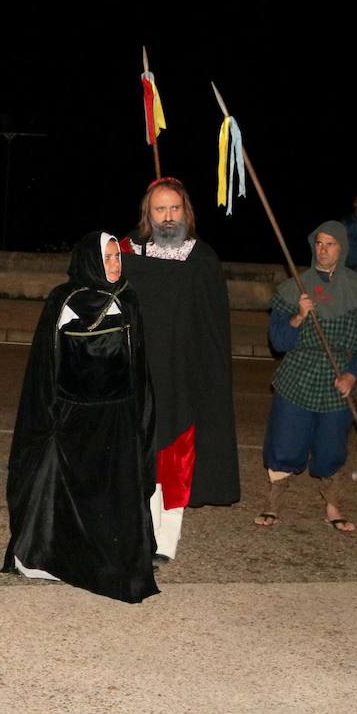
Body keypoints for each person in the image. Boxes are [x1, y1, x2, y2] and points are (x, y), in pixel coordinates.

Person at [3, 232, 158, 603]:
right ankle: (48, 558)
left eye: (117, 257)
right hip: (72, 416)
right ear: (90, 259)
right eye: (106, 258)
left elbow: (138, 367)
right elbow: (46, 365)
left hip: (116, 416)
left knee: (113, 491)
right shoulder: (64, 300)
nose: (114, 264)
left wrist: (140, 415)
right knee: (61, 488)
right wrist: (49, 413)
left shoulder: (128, 300)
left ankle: (112, 560)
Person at [120, 178, 241, 561]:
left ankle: (165, 543)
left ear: (185, 211)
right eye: (160, 209)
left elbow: (212, 328)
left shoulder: (202, 260)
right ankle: (143, 534)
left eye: (174, 209)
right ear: (148, 214)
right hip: (140, 374)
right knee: (142, 457)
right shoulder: (130, 254)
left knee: (174, 460)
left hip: (184, 377)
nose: (168, 217)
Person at [257, 222, 357, 534]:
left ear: (342, 248)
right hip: (298, 374)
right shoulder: (294, 287)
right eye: (319, 244)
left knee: (331, 448)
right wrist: (298, 316)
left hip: (339, 377)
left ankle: (332, 505)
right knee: (285, 442)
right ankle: (273, 502)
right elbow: (279, 342)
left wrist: (353, 376)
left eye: (330, 244)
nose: (323, 250)